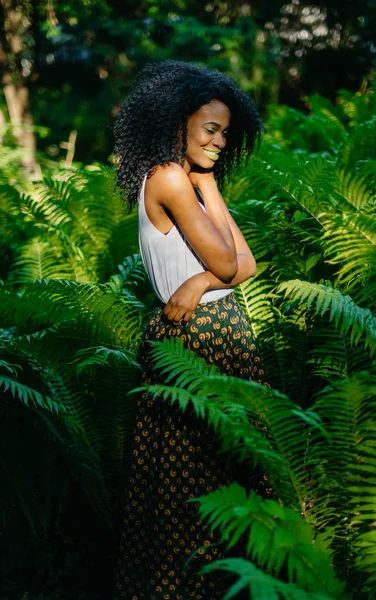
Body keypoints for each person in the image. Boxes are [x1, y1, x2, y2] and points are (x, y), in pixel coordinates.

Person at [111, 60, 272, 600]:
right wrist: (213, 275)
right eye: (210, 129)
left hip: (216, 331)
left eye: (226, 131)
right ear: (177, 122)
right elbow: (230, 264)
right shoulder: (170, 177)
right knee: (192, 477)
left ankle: (229, 584)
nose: (221, 140)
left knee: (223, 470)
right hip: (194, 340)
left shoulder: (193, 179)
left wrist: (199, 280)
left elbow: (244, 265)